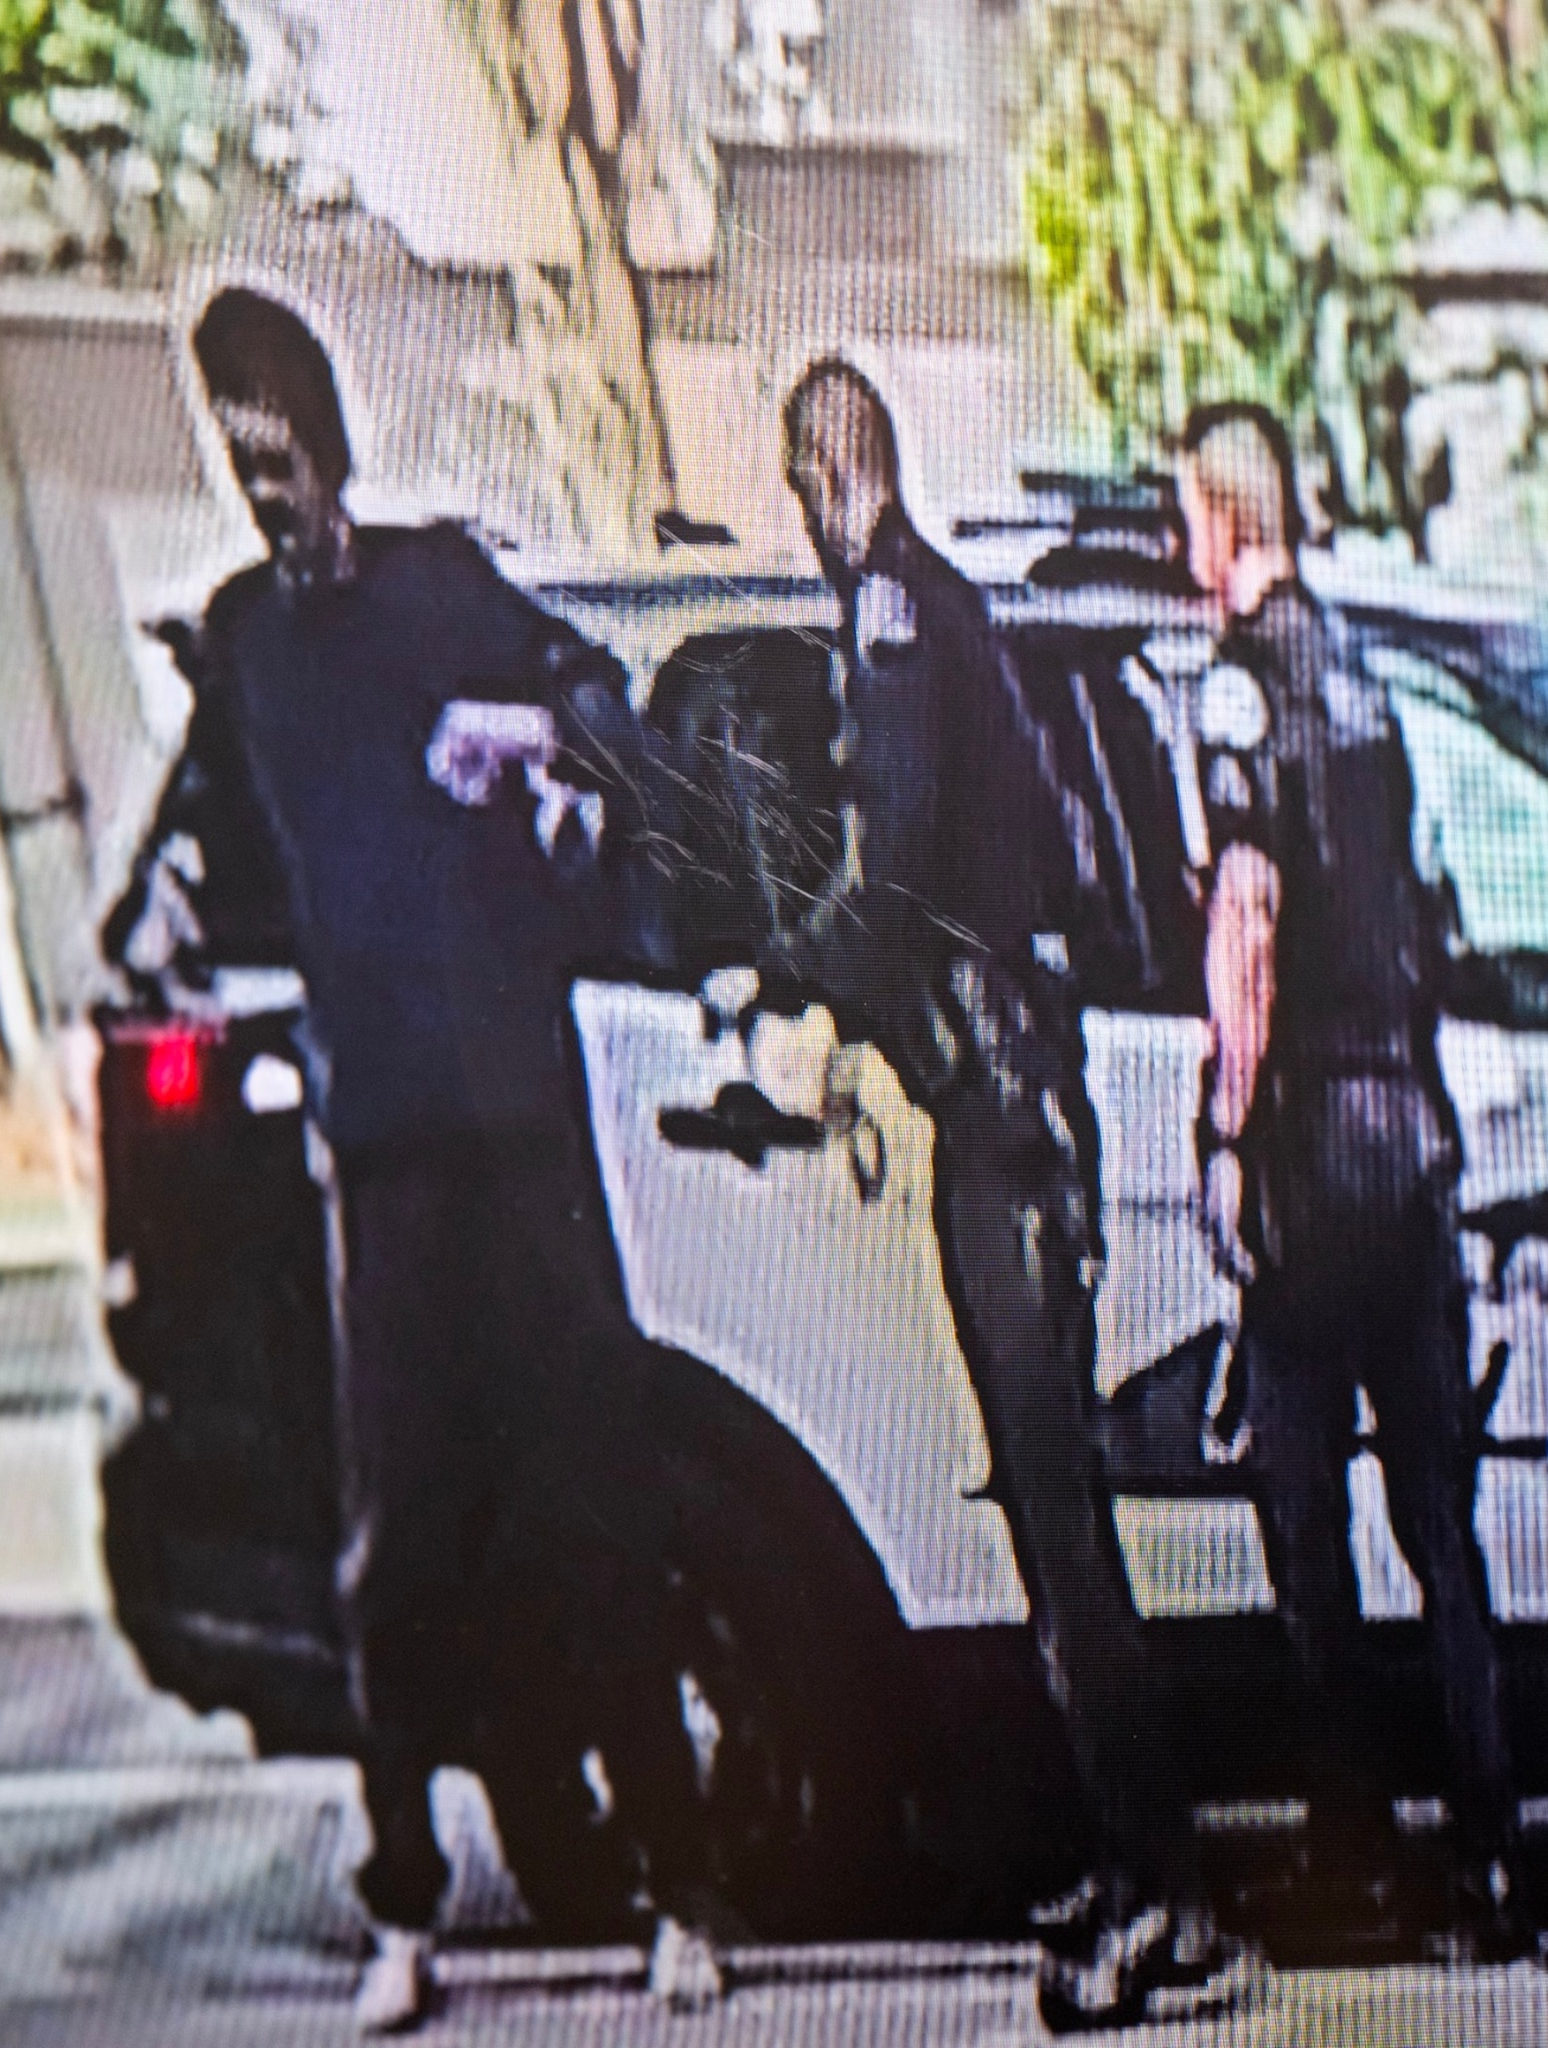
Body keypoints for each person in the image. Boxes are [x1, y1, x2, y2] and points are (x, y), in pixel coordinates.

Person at [175, 288, 721, 2032]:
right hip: (386, 1145)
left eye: (285, 455)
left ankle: (682, 1885)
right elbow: (224, 858)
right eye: (241, 464)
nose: (271, 495)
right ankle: (401, 1897)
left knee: (598, 1500)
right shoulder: (244, 645)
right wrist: (188, 908)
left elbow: (594, 697)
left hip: (523, 1125)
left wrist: (535, 750)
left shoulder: (436, 583)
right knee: (396, 1544)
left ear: (329, 441)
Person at [771, 360, 1245, 2031]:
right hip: (1016, 1103)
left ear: (825, 479)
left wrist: (795, 978)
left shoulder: (896, 613)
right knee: (1055, 1533)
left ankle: (1165, 1891)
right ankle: (1142, 1872)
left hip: (1007, 1123)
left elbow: (887, 857)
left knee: (1063, 1532)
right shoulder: (946, 614)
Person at [1175, 402, 1530, 1962]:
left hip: (1316, 1144)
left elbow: (1247, 912)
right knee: (1443, 1531)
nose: (1187, 555)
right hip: (1414, 1133)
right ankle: (1493, 1865)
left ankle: (1358, 1855)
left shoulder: (1239, 687)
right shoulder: (1374, 679)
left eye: (1191, 520)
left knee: (1305, 1524)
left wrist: (1226, 1129)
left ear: (1226, 521)